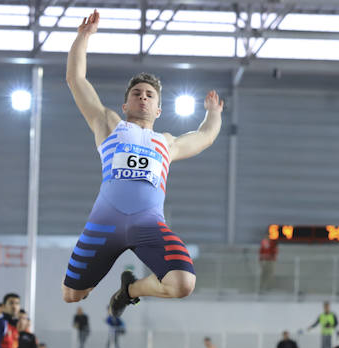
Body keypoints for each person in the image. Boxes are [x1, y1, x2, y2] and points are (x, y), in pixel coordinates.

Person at [61, 10, 224, 319]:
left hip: (149, 226)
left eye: (150, 95)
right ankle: (110, 283)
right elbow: (76, 79)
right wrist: (83, 38)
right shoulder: (109, 124)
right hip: (104, 225)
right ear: (125, 104)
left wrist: (214, 113)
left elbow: (204, 137)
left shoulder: (166, 143)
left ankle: (130, 290)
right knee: (72, 295)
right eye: (136, 94)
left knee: (182, 284)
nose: (143, 98)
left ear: (159, 108)